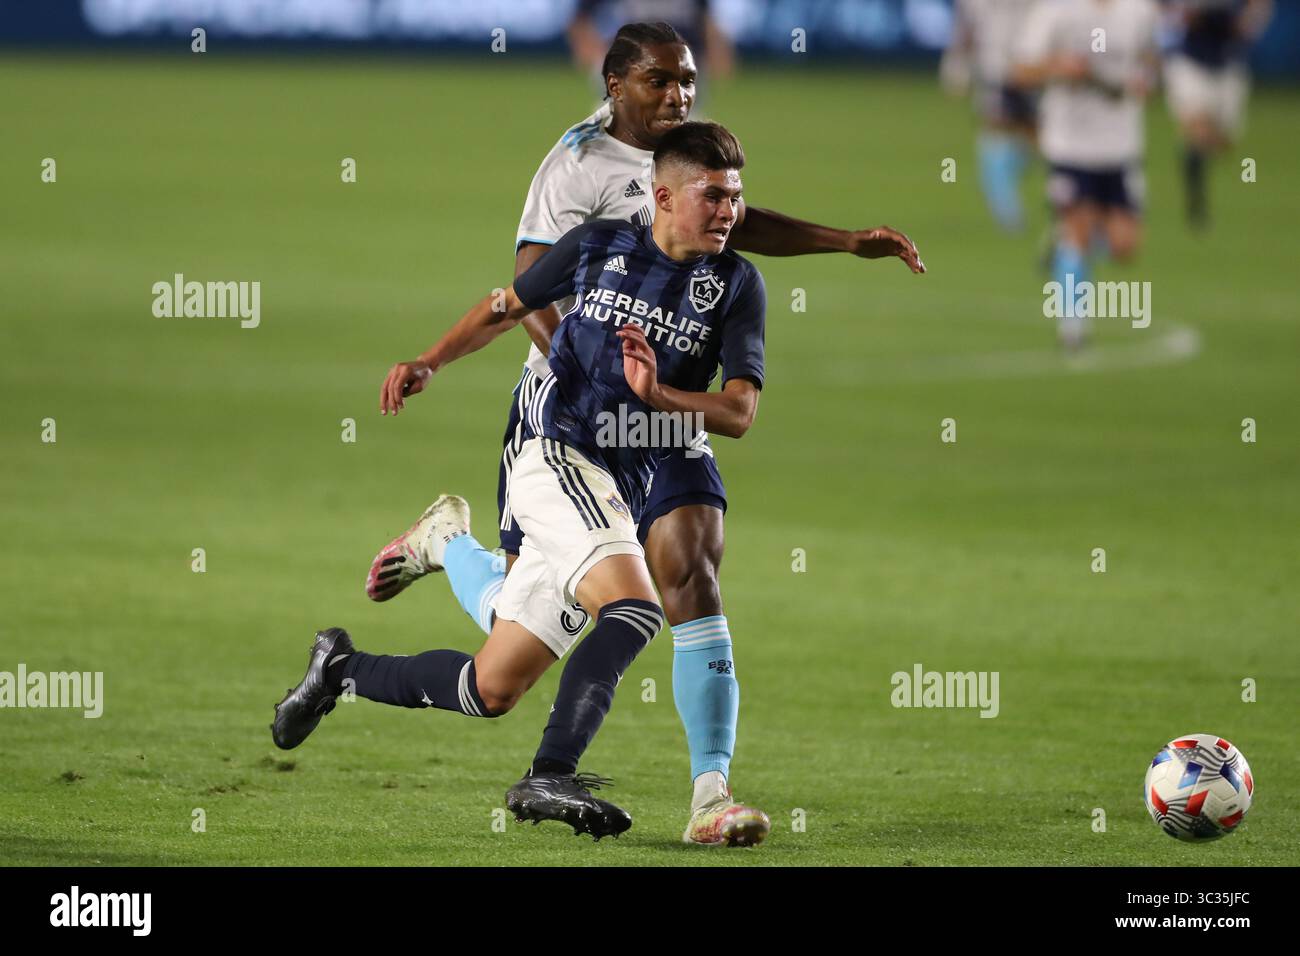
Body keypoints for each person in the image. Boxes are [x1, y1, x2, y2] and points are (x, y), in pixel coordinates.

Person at [363, 21, 922, 846]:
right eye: (661, 81)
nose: (678, 94)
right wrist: (575, 378)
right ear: (616, 83)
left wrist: (842, 242)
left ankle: (710, 796)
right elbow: (523, 290)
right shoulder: (578, 169)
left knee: (686, 574)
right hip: (572, 422)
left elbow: (732, 227)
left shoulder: (704, 195)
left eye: (687, 80)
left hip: (667, 415)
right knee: (521, 638)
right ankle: (450, 548)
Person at [276, 122, 770, 843]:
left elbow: (740, 411)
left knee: (491, 687)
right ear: (663, 195)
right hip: (555, 453)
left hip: (626, 478)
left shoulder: (735, 284)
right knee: (633, 609)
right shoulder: (600, 243)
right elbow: (508, 303)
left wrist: (662, 396)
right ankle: (551, 772)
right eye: (713, 196)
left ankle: (340, 670)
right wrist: (432, 360)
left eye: (735, 197)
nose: (729, 212)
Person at [1014, 0, 1160, 349]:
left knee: (1125, 247)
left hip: (1120, 146)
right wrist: (1059, 67)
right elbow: (1020, 69)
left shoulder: (1140, 11)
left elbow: (1152, 60)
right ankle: (1073, 328)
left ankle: (1061, 242)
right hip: (1069, 144)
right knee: (1079, 231)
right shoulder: (1056, 11)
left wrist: (1147, 81)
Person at [1162, 0, 1273, 228]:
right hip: (1190, 61)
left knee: (1223, 142)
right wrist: (1180, 18)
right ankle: (1197, 205)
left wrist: (1246, 23)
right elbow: (1169, 13)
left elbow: (1256, 10)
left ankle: (1193, 156)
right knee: (1197, 129)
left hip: (1227, 63)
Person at [941, 0, 1040, 233]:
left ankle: (1000, 176)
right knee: (996, 128)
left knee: (1037, 138)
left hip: (1033, 67)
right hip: (996, 68)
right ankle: (1008, 210)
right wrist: (957, 65)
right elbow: (967, 28)